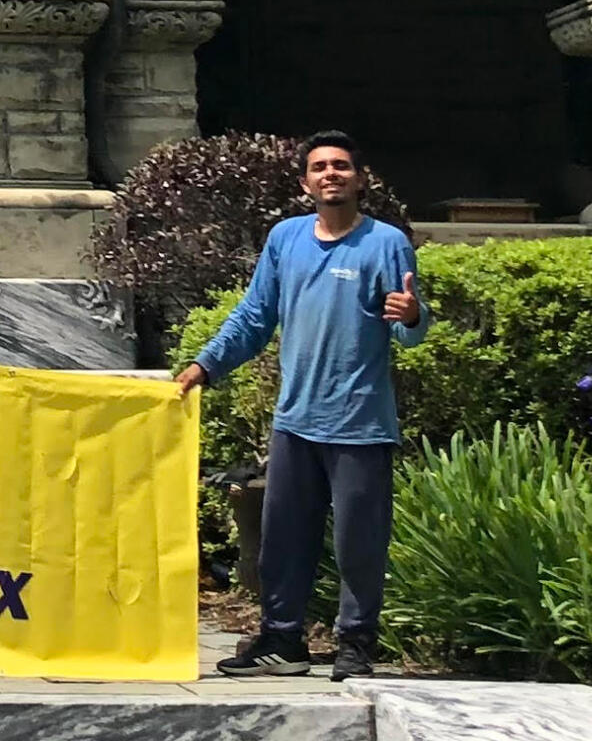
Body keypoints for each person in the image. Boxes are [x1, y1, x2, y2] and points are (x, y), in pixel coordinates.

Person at [173, 129, 425, 683]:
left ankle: (356, 645)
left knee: (359, 545)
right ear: (306, 182)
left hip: (361, 425)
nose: (330, 173)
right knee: (282, 542)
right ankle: (282, 642)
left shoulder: (386, 243)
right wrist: (204, 366)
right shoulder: (286, 238)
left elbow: (409, 331)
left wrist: (410, 316)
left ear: (360, 179)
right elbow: (254, 317)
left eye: (341, 166)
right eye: (319, 167)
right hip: (294, 423)